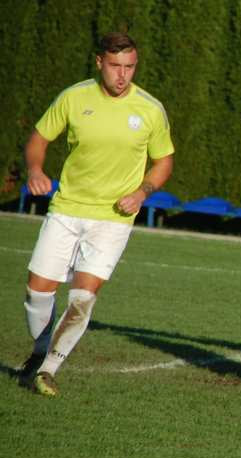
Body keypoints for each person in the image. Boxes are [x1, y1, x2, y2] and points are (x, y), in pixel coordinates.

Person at [18, 32, 175, 396]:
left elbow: (163, 161)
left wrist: (142, 192)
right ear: (99, 62)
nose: (123, 75)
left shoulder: (150, 109)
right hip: (67, 209)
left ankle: (48, 369)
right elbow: (39, 139)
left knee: (83, 297)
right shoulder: (74, 97)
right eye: (116, 66)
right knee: (37, 290)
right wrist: (36, 170)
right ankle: (39, 352)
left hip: (113, 220)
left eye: (130, 67)